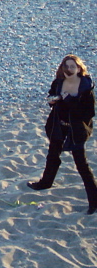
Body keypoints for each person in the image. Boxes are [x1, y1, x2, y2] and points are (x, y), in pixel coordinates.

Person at [27, 55, 97, 215]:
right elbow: (52, 97)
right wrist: (53, 100)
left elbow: (89, 113)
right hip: (59, 125)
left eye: (73, 66)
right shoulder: (58, 83)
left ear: (79, 68)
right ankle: (45, 183)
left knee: (82, 165)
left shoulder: (86, 87)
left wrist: (70, 101)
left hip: (76, 129)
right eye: (66, 66)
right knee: (52, 155)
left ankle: (94, 201)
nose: (69, 69)